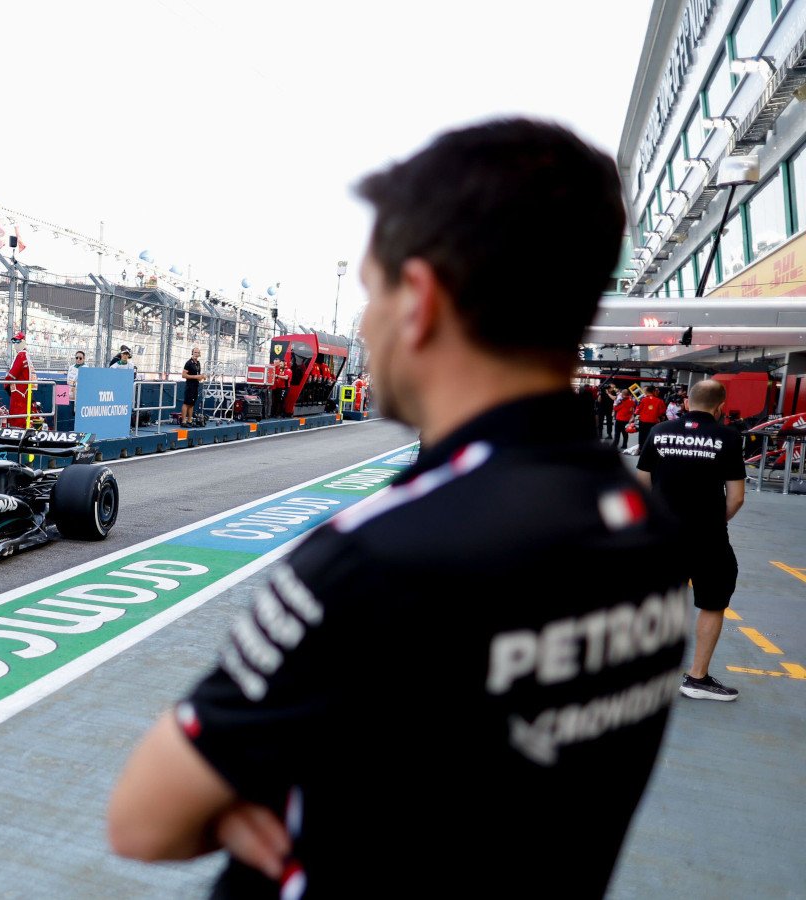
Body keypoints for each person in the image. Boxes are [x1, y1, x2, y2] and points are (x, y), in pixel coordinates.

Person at [108, 119, 686, 899]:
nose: (366, 329)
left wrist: (266, 800)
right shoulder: (647, 526)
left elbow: (143, 819)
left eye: (370, 297)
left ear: (418, 301)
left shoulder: (382, 558)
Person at [638, 379, 747, 702]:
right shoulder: (728, 437)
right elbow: (737, 497)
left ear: (686, 402)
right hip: (707, 537)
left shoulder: (659, 432)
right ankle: (697, 679)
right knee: (712, 602)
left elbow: (642, 481)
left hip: (661, 535)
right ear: (721, 406)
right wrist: (713, 521)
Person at [6, 331, 34, 428]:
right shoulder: (26, 355)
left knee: (17, 414)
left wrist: (6, 383)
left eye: (17, 341)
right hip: (24, 389)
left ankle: (17, 433)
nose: (15, 344)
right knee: (23, 413)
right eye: (14, 342)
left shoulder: (21, 355)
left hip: (20, 390)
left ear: (22, 341)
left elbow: (14, 372)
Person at [636, 386, 666, 452]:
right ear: (653, 392)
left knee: (642, 435)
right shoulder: (660, 401)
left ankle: (641, 449)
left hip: (643, 420)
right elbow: (662, 412)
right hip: (653, 421)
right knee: (651, 436)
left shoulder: (643, 400)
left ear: (647, 392)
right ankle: (649, 450)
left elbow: (638, 410)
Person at [181, 346, 203, 425]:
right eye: (195, 352)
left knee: (192, 403)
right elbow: (183, 375)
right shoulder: (189, 363)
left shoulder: (198, 363)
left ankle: (189, 420)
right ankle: (183, 421)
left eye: (198, 353)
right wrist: (195, 377)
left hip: (196, 385)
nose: (196, 354)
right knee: (186, 403)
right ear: (192, 353)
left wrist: (201, 376)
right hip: (189, 385)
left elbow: (198, 376)